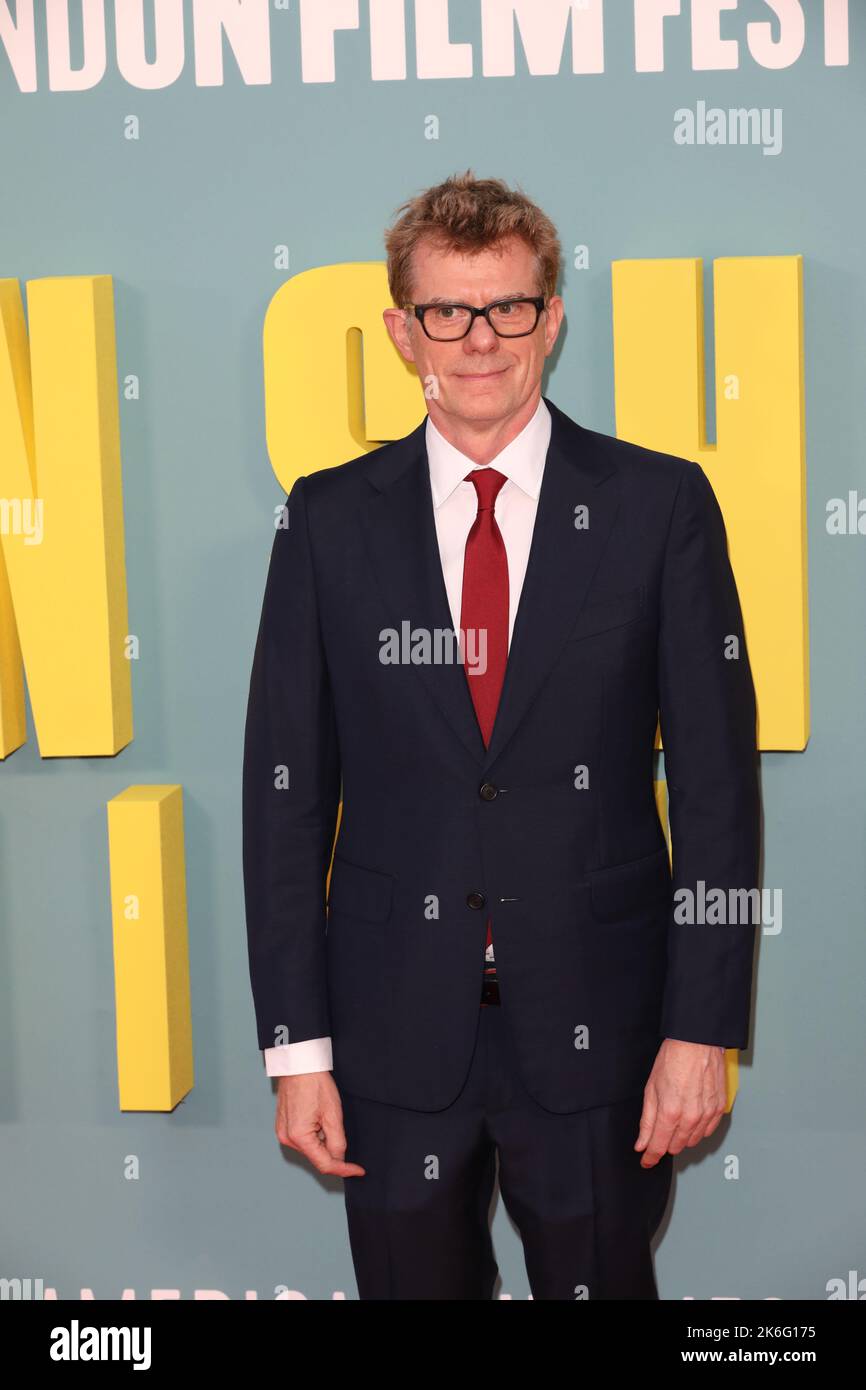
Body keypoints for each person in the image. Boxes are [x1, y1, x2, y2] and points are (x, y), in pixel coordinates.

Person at [242, 171, 761, 1300]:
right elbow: (282, 799)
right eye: (445, 311)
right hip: (387, 1036)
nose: (477, 340)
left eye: (507, 307)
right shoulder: (327, 520)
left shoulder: (654, 507)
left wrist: (699, 1029)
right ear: (400, 330)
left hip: (604, 1033)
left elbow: (717, 788)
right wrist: (298, 1051)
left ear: (550, 318)